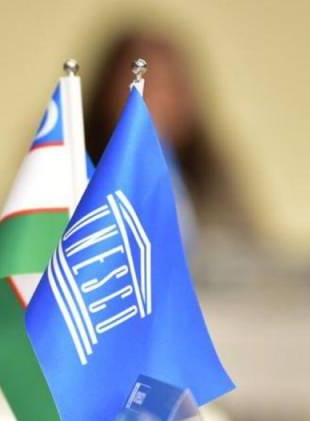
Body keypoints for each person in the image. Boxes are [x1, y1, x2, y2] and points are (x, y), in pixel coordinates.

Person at [86, 29, 252, 255]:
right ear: (108, 92)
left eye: (173, 87)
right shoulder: (71, 164)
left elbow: (246, 250)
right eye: (149, 85)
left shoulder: (211, 173)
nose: (162, 101)